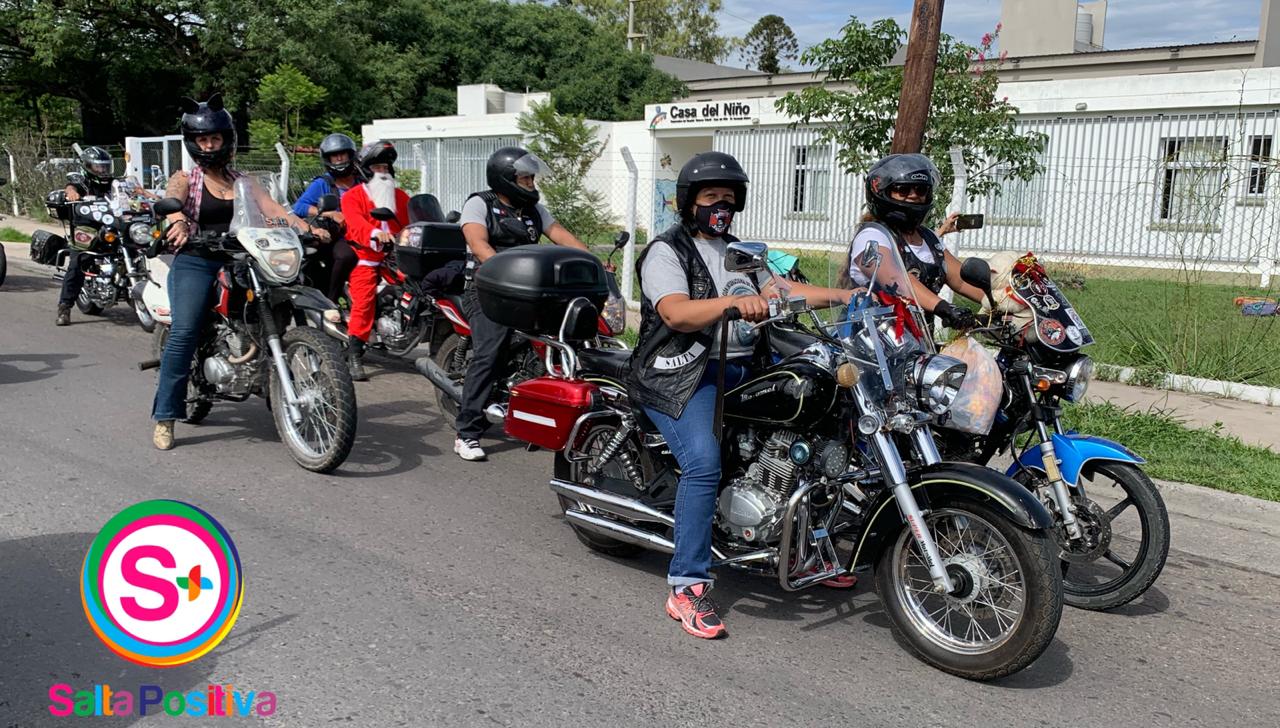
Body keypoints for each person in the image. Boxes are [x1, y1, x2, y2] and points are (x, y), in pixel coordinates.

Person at [628, 151, 858, 640]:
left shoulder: (740, 251)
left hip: (742, 368)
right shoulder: (666, 251)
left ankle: (803, 550)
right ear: (689, 201)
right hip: (680, 372)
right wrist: (733, 302)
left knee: (812, 432)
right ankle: (686, 585)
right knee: (703, 463)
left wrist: (845, 297)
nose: (721, 206)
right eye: (711, 196)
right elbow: (675, 313)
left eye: (728, 198)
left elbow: (782, 290)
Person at [151, 93, 330, 451]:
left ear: (226, 139)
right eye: (203, 139)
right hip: (198, 258)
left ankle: (275, 384)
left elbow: (275, 210)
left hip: (243, 258)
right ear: (193, 142)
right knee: (185, 332)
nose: (209, 144)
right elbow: (173, 202)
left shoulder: (243, 181)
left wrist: (307, 227)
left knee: (278, 305)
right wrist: (179, 220)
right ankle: (165, 416)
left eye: (215, 138)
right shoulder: (186, 178)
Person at [448, 146, 590, 462]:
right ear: (505, 179)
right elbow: (477, 242)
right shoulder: (480, 204)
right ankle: (467, 433)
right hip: (486, 291)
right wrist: (502, 272)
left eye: (531, 178)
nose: (530, 183)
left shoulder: (534, 210)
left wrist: (591, 261)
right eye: (525, 178)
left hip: (526, 293)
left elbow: (562, 236)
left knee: (565, 340)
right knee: (490, 352)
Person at [840, 154, 986, 329]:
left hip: (917, 342)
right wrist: (945, 308)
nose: (914, 195)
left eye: (921, 189)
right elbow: (895, 278)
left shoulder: (929, 239)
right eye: (903, 189)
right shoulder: (872, 236)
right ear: (882, 192)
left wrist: (1003, 301)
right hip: (869, 340)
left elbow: (961, 280)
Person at [339, 139, 410, 381]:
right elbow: (355, 223)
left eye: (385, 167)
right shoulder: (352, 196)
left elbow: (412, 222)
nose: (382, 172)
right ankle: (355, 353)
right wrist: (375, 233)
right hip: (365, 256)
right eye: (376, 167)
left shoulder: (400, 196)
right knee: (364, 300)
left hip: (395, 257)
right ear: (365, 170)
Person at [292, 133, 359, 305]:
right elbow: (299, 207)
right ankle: (331, 302)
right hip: (337, 236)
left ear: (350, 155)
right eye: (334, 156)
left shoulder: (362, 181)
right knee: (345, 255)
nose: (339, 159)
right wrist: (329, 213)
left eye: (342, 154)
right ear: (328, 159)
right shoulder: (323, 183)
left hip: (362, 233)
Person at [54, 146, 116, 326]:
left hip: (110, 224)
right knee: (78, 262)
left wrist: (143, 194)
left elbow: (130, 191)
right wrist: (71, 193)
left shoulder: (114, 183)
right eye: (98, 167)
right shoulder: (82, 182)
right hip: (86, 227)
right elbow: (71, 186)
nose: (102, 170)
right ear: (88, 167)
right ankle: (65, 307)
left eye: (105, 166)